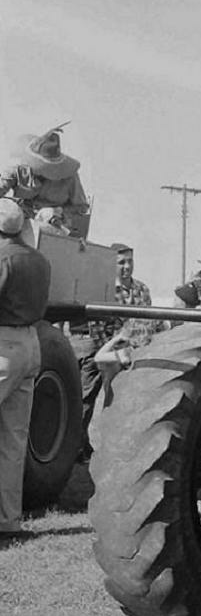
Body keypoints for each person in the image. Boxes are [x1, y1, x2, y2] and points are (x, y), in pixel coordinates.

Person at [0, 199, 51, 537]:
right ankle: (8, 521)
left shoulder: (3, 257)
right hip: (31, 343)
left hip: (3, 344)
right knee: (13, 440)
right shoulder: (40, 260)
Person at [80, 242, 158, 458]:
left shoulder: (142, 289)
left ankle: (123, 447)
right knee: (88, 399)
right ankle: (80, 445)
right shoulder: (104, 290)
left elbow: (149, 322)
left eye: (130, 261)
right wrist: (111, 353)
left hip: (136, 355)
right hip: (108, 353)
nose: (127, 267)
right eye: (121, 262)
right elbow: (96, 328)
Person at [0, 123, 90, 241]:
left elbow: (81, 207)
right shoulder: (23, 170)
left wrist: (59, 211)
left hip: (53, 231)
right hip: (19, 226)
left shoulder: (69, 177)